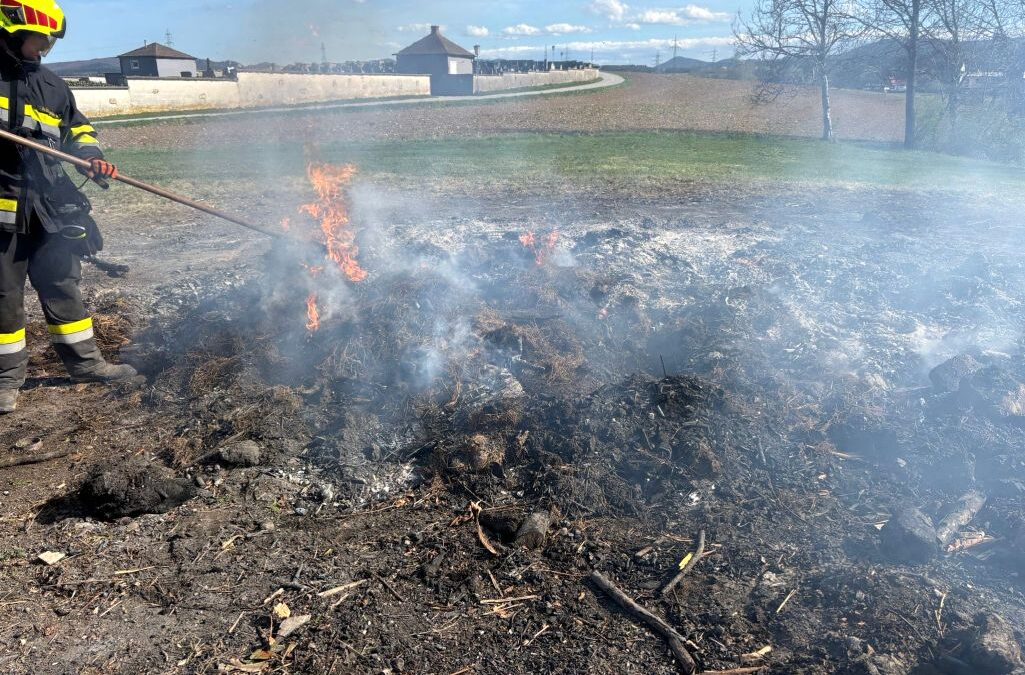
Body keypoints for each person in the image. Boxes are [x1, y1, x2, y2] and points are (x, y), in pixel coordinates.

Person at [0, 0, 138, 414]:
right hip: (3, 207)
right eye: (40, 40)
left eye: (49, 42)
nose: (44, 49)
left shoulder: (53, 85)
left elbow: (77, 128)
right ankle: (6, 381)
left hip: (50, 206)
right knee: (4, 294)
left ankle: (85, 364)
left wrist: (92, 157)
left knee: (62, 281)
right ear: (12, 30)